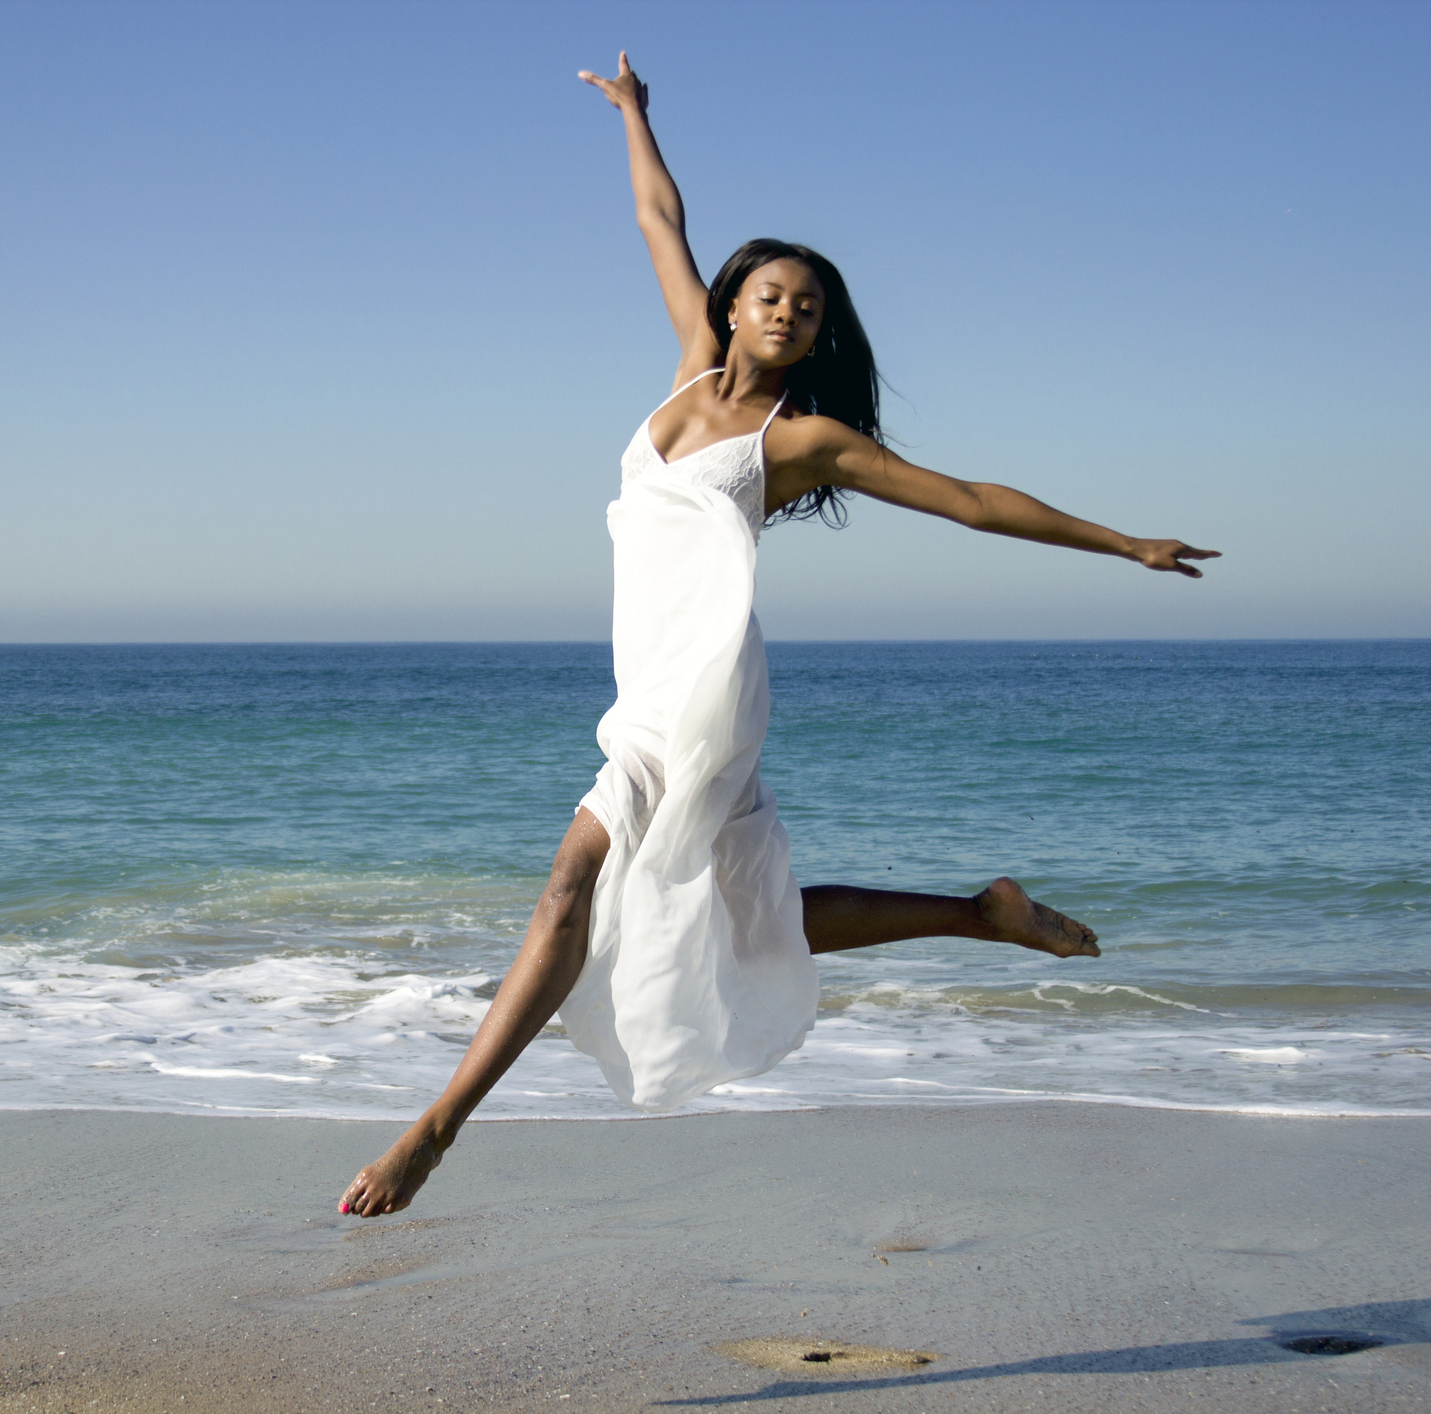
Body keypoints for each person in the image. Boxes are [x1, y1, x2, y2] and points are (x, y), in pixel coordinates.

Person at [338, 54, 1217, 1218]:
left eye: (810, 308)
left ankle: (435, 1130)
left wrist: (1122, 544)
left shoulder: (804, 441)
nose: (789, 313)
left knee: (573, 886)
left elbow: (966, 497)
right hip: (651, 669)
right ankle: (980, 913)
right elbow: (660, 218)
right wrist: (637, 118)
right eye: (773, 296)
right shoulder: (686, 369)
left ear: (816, 334)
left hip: (699, 688)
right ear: (738, 301)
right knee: (742, 916)